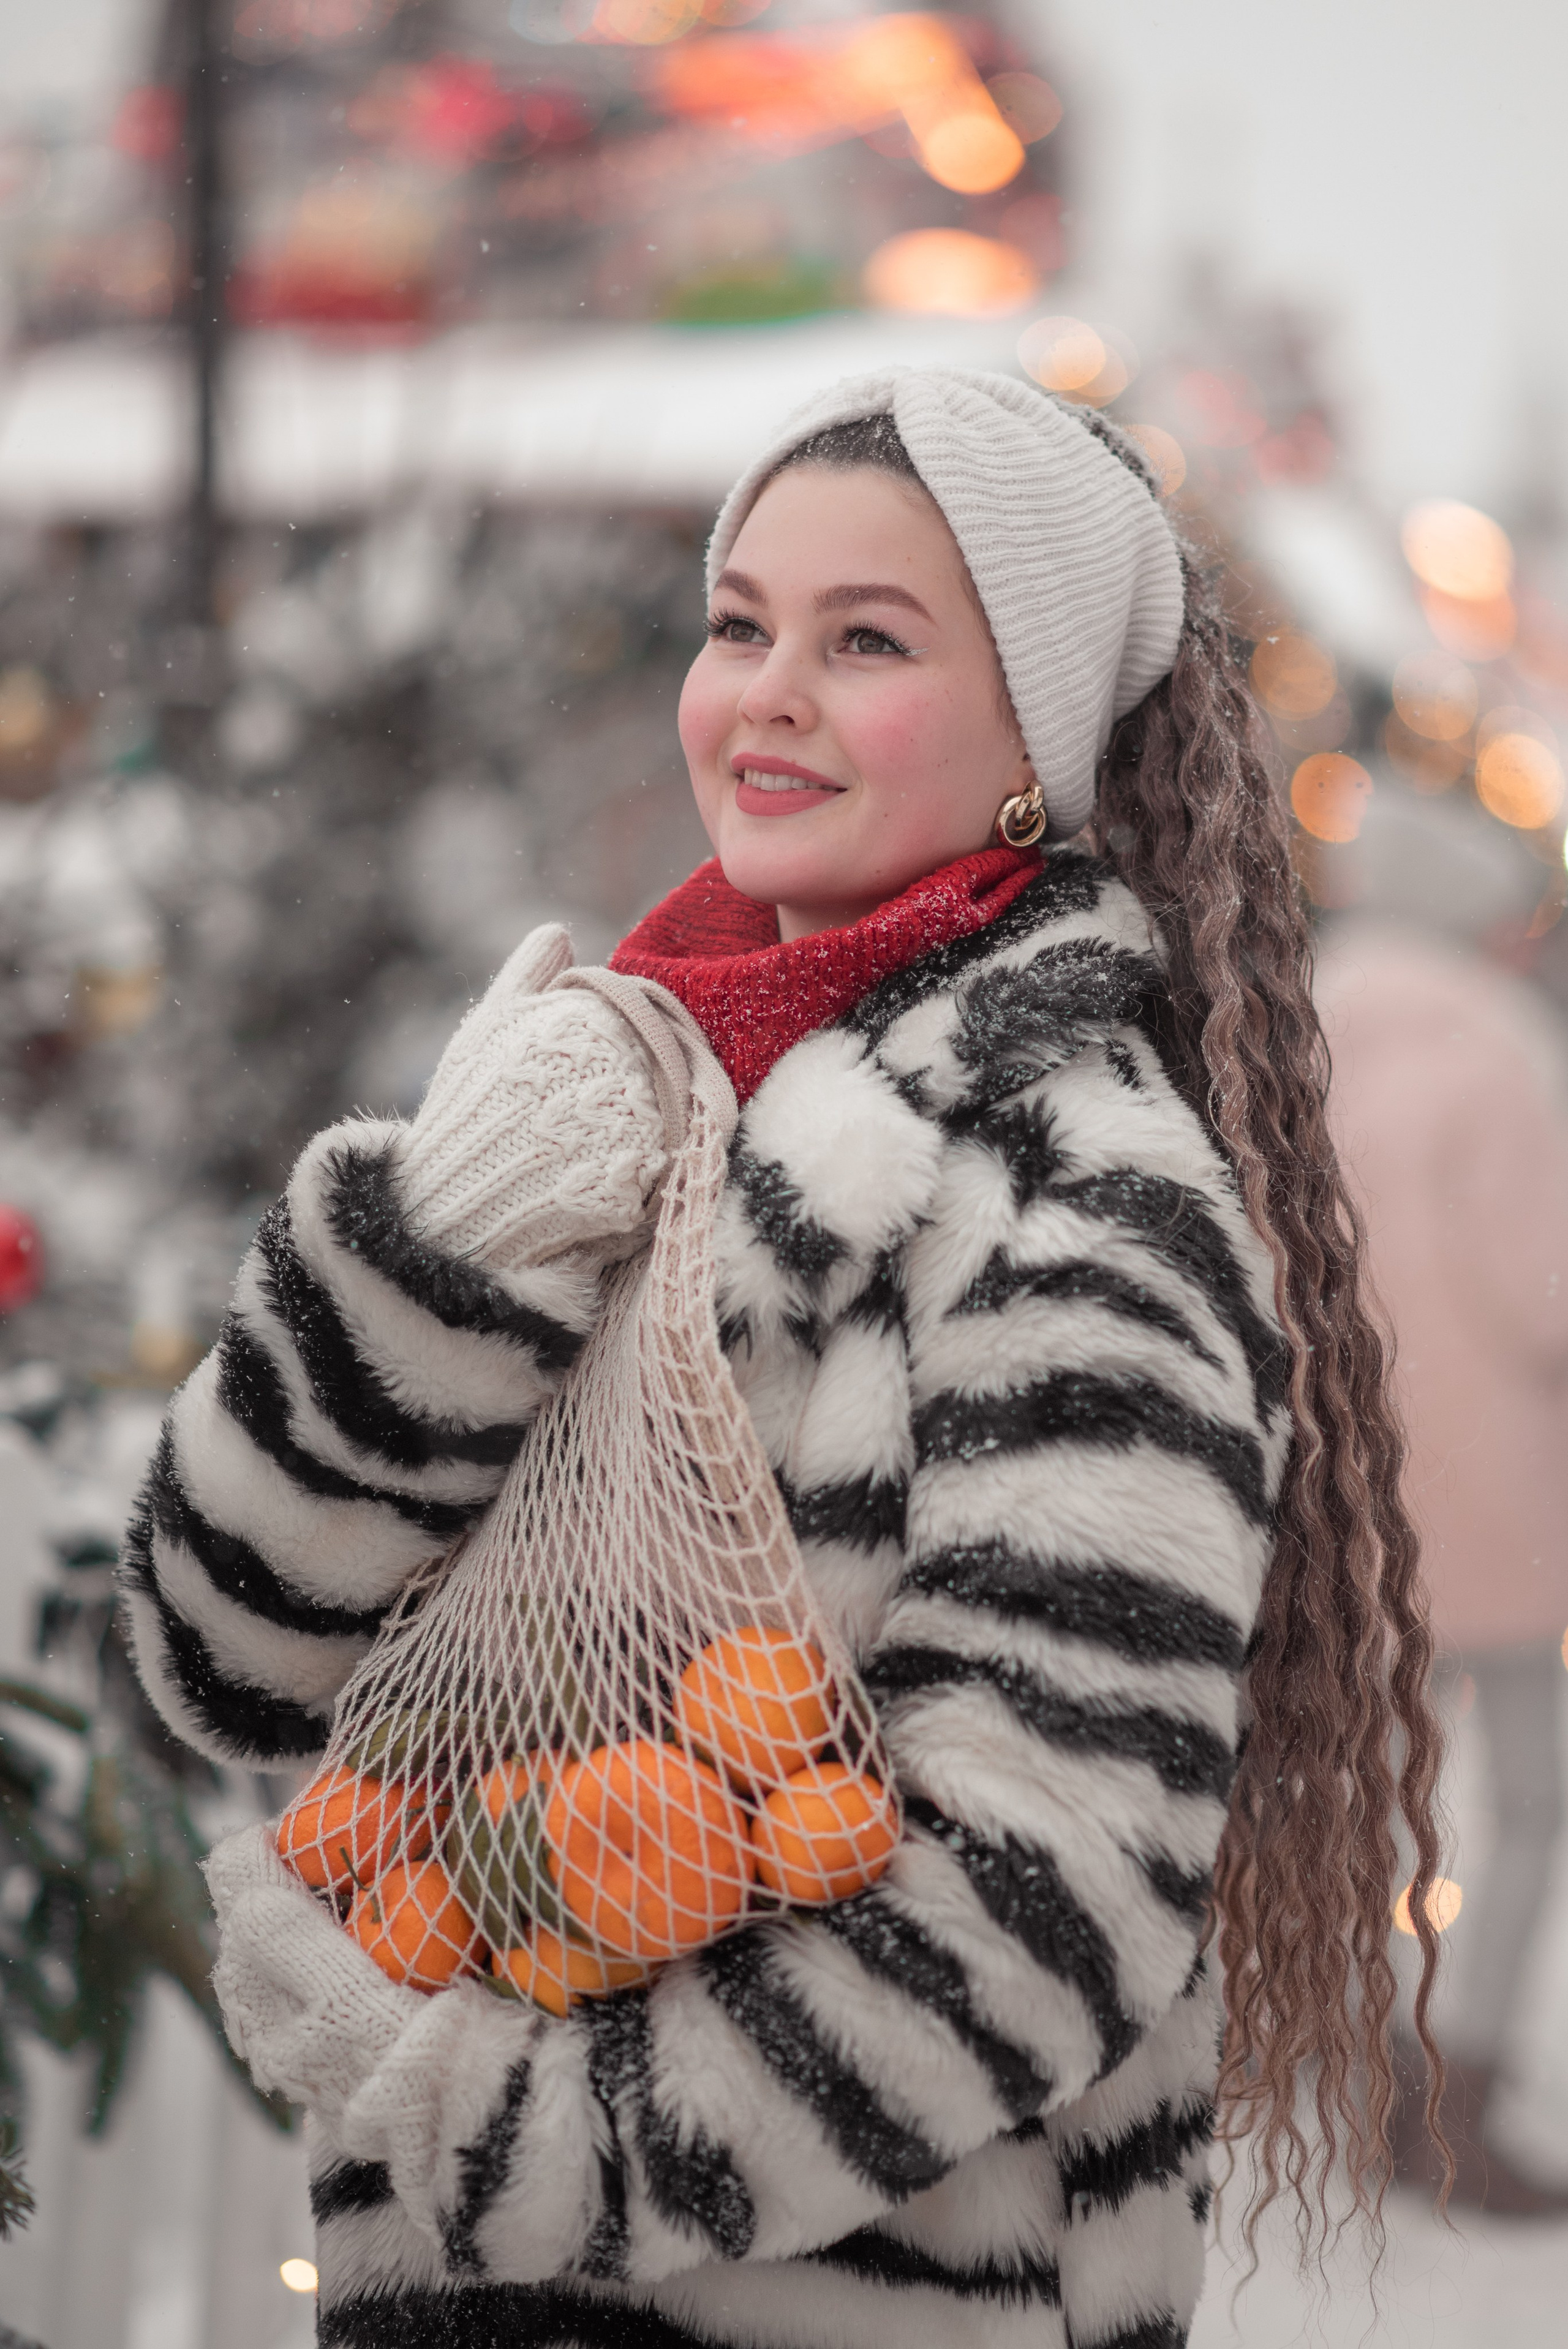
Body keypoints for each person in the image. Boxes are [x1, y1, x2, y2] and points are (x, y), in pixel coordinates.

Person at [119, 373, 1444, 2348]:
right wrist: (441, 1248)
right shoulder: (607, 1104)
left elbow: (1039, 1912)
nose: (768, 692)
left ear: (1038, 743)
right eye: (740, 623)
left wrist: (495, 2145)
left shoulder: (1080, 1206)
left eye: (870, 640)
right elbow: (227, 1657)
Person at [1317, 790, 1568, 2217]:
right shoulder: (1495, 1054)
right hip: (1500, 1516)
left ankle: (1360, 2062)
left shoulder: (1296, 1038)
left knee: (1356, 1801)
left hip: (1344, 1499)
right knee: (1528, 1804)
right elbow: (1547, 1301)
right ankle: (1456, 2102)